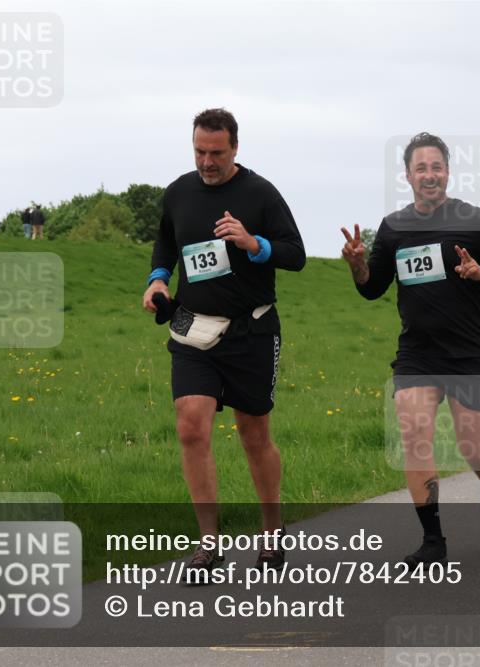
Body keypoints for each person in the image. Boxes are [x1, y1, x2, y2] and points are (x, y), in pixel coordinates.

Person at [341, 132, 480, 566]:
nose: (429, 175)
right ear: (407, 175)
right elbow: (373, 288)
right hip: (418, 353)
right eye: (420, 168)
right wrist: (358, 265)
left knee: (475, 446)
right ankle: (433, 542)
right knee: (413, 432)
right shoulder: (393, 227)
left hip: (469, 352)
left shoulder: (474, 219)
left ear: (448, 171)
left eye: (436, 167)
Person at [142, 108, 306, 576]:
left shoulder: (260, 193)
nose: (207, 161)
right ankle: (208, 545)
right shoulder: (178, 193)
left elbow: (295, 255)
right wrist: (157, 281)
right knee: (191, 425)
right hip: (194, 329)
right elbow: (165, 247)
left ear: (235, 148)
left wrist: (254, 243)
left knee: (254, 436)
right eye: (199, 151)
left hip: (251, 331)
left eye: (216, 152)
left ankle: (272, 535)